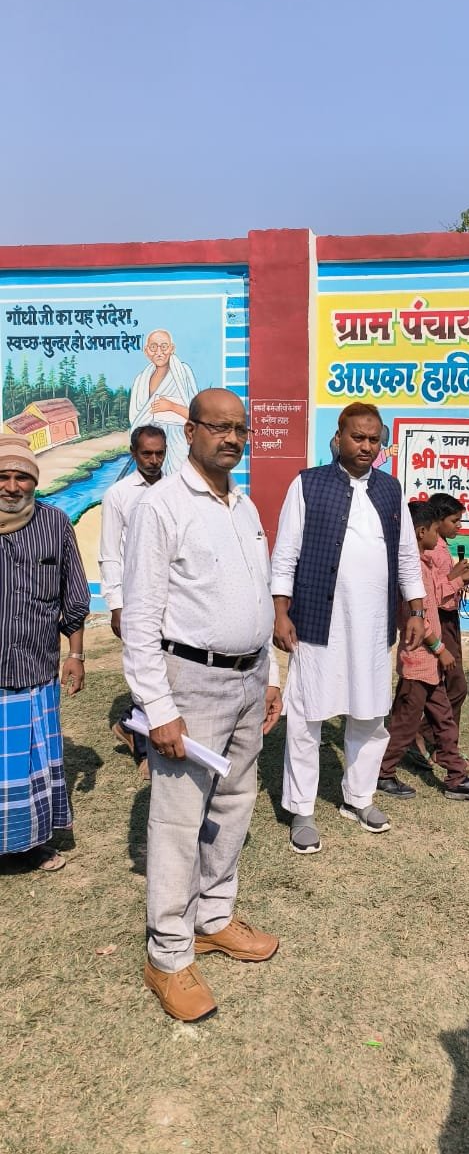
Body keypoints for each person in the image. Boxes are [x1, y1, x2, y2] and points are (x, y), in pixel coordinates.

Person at [121, 389, 282, 1022]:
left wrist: (270, 677)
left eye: (240, 428)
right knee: (178, 820)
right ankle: (167, 954)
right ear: (189, 432)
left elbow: (257, 595)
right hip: (189, 683)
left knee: (235, 803)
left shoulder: (243, 505)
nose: (232, 438)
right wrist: (158, 708)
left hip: (247, 681)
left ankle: (213, 918)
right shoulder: (162, 506)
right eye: (219, 427)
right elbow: (140, 618)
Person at [272, 402, 426, 855]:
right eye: (358, 437)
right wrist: (280, 612)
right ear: (338, 438)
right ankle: (302, 809)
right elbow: (285, 553)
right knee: (307, 718)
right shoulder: (308, 484)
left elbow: (406, 556)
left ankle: (359, 798)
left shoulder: (390, 489)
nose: (366, 446)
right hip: (318, 624)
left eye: (374, 439)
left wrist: (416, 610)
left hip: (373, 626)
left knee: (370, 715)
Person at [0, 435, 89, 874]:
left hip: (35, 667)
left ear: (34, 482)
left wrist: (76, 655)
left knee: (32, 764)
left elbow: (74, 594)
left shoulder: (54, 523)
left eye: (22, 477)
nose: (12, 486)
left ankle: (28, 845)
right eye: (3, 476)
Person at [377, 501, 469, 802]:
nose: (439, 537)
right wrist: (440, 649)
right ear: (421, 532)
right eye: (435, 530)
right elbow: (418, 621)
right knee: (405, 724)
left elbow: (439, 596)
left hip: (429, 663)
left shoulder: (425, 565)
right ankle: (383, 772)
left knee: (444, 720)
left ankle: (457, 777)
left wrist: (461, 579)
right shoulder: (411, 571)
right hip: (418, 661)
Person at [99, 424, 167, 779]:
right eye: (146, 454)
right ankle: (144, 750)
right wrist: (116, 605)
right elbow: (110, 553)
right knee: (144, 669)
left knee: (170, 668)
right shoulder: (118, 494)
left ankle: (128, 723)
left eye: (159, 453)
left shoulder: (176, 488)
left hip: (173, 597)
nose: (154, 460)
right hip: (136, 599)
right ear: (133, 453)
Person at [128, 329, 198, 474]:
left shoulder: (183, 373)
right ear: (146, 351)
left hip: (179, 443)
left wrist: (171, 406)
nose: (159, 352)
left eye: (164, 346)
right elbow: (136, 420)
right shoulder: (141, 380)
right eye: (153, 347)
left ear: (172, 348)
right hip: (150, 445)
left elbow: (196, 416)